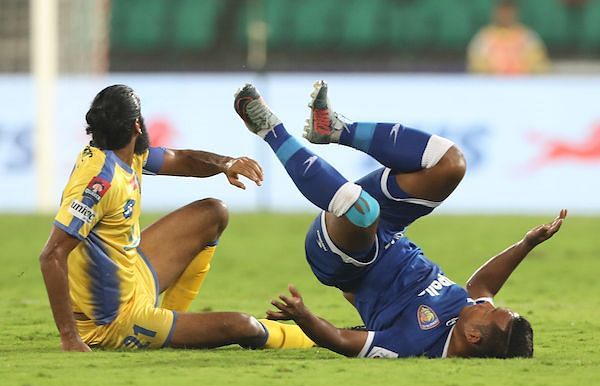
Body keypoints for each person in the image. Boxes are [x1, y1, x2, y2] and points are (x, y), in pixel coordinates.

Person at [233, 80, 566, 358]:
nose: (486, 304)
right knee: (450, 163)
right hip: (391, 231)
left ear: (475, 337)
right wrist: (526, 244)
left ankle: (269, 130)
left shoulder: (415, 344)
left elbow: (342, 341)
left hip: (346, 260)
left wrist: (304, 317)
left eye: (490, 311)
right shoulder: (471, 315)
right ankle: (335, 129)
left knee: (363, 211)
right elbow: (483, 286)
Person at [40, 84, 315, 352]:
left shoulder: (127, 155)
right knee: (244, 326)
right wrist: (70, 337)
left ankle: (169, 319)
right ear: (137, 126)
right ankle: (317, 337)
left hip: (132, 276)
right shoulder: (99, 182)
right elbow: (51, 255)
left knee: (213, 213)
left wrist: (226, 164)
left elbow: (180, 158)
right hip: (115, 321)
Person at [467, 0, 550, 75]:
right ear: (495, 12)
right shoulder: (484, 37)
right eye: (503, 11)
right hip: (492, 86)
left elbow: (539, 66)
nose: (505, 15)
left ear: (515, 13)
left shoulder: (527, 37)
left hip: (522, 86)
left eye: (508, 11)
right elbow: (476, 68)